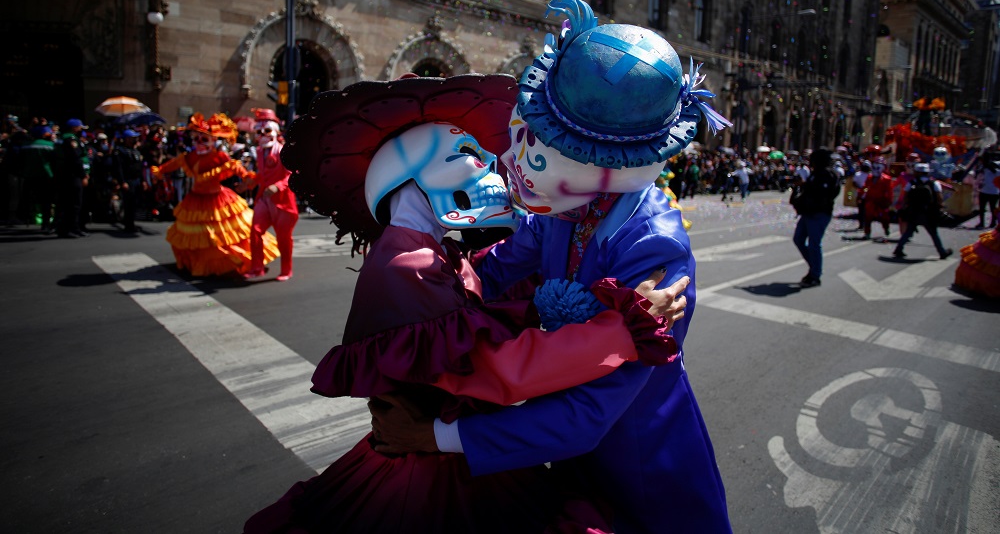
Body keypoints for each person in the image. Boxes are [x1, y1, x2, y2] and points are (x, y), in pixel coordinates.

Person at [245, 73, 686, 533]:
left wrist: (565, 298)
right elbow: (493, 366)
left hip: (460, 457)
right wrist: (619, 332)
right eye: (467, 159)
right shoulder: (407, 267)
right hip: (430, 474)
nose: (490, 170)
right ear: (413, 177)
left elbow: (489, 309)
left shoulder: (434, 253)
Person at [372, 0, 734, 533]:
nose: (513, 162)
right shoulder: (562, 208)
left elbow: (595, 408)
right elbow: (492, 275)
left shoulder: (654, 251)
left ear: (611, 168)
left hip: (634, 456)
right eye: (521, 135)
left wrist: (437, 438)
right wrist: (416, 287)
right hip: (558, 441)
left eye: (537, 152)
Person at [151, 112, 279, 277]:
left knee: (221, 234)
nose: (199, 143)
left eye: (204, 139)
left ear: (213, 141)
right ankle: (200, 262)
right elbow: (173, 164)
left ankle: (229, 260)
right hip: (196, 199)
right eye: (196, 139)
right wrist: (160, 171)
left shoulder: (219, 157)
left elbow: (236, 168)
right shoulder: (189, 157)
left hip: (218, 199)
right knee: (198, 234)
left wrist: (248, 177)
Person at [244, 109, 298, 281]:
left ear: (274, 131)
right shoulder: (259, 152)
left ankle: (286, 270)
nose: (263, 135)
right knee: (255, 231)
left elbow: (291, 174)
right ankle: (257, 267)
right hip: (264, 199)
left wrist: (277, 186)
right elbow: (262, 174)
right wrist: (249, 183)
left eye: (266, 131)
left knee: (283, 238)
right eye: (259, 132)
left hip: (282, 201)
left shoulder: (283, 151)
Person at [790, 147, 841, 287]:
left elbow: (822, 194)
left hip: (819, 214)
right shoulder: (816, 173)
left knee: (814, 244)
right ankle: (814, 267)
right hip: (808, 212)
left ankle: (815, 275)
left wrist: (807, 188)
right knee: (798, 239)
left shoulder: (828, 175)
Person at [893, 162, 953, 260]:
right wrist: (940, 207)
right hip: (929, 213)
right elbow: (939, 197)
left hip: (914, 211)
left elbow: (905, 196)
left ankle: (898, 249)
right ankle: (942, 252)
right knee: (934, 233)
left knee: (908, 231)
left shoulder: (911, 183)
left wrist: (904, 208)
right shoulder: (934, 183)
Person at [55, 118, 90, 238]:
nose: (81, 130)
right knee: (74, 203)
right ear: (74, 128)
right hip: (72, 175)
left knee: (67, 203)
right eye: (80, 127)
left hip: (66, 175)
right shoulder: (71, 139)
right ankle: (72, 228)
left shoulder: (63, 138)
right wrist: (83, 175)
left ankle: (67, 228)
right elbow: (75, 159)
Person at [20, 125, 56, 233]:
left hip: (28, 176)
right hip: (46, 176)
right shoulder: (50, 145)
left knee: (30, 199)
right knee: (47, 201)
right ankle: (46, 224)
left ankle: (28, 218)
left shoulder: (25, 146)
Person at [110, 129, 144, 232]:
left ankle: (132, 222)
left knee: (134, 203)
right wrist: (122, 182)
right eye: (133, 138)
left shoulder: (136, 150)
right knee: (128, 204)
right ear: (127, 139)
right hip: (128, 180)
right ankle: (128, 224)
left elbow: (139, 167)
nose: (135, 139)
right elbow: (118, 168)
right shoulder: (120, 151)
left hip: (137, 180)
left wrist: (143, 180)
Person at [860, 156, 893, 241]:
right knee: (868, 217)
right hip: (870, 200)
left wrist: (889, 200)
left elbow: (889, 191)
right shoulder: (869, 177)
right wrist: (862, 194)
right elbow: (865, 187)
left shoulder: (886, 179)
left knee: (884, 217)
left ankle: (886, 228)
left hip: (881, 200)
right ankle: (867, 233)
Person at [973, 151, 999, 229]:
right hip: (987, 190)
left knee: (990, 208)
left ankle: (990, 223)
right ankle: (987, 223)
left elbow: (993, 170)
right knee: (987, 208)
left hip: (992, 191)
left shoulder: (991, 166)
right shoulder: (984, 167)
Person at [852, 160, 872, 233]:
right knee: (861, 211)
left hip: (867, 196)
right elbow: (854, 183)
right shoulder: (858, 174)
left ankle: (865, 225)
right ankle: (861, 225)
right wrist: (861, 188)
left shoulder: (870, 176)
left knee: (865, 211)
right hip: (861, 195)